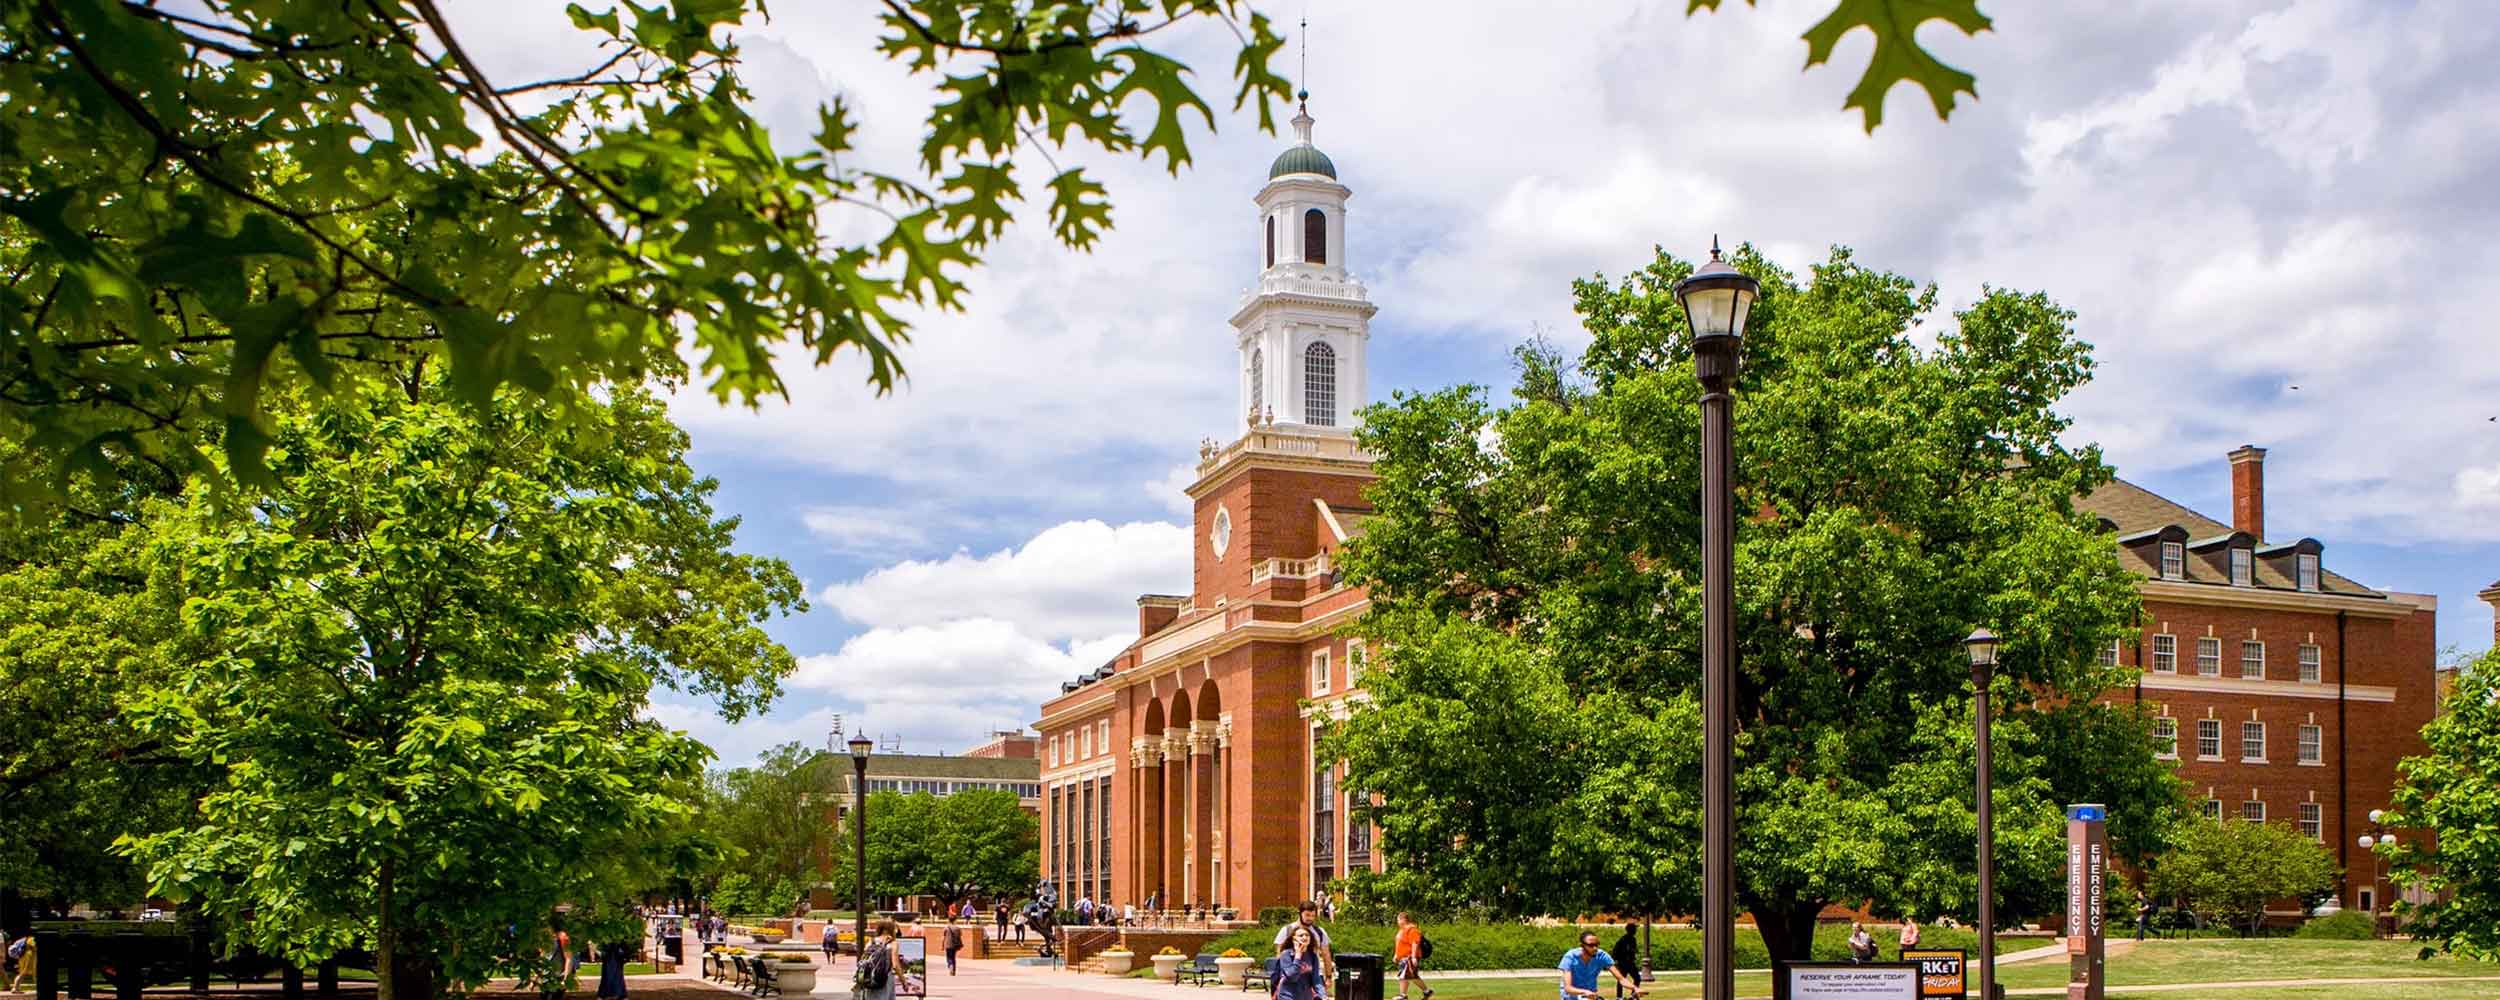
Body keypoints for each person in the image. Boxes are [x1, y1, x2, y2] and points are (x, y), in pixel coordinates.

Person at [1270, 900, 1334, 992]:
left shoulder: (1319, 932)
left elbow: (1326, 954)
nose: (1310, 918)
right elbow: (1279, 955)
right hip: (1291, 977)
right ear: (1300, 913)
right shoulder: (1287, 930)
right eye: (1307, 915)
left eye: (1313, 916)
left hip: (1313, 977)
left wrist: (1328, 977)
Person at [1558, 930, 1640, 1000]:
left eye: (1597, 944)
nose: (1595, 948)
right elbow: (1568, 988)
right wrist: (1585, 992)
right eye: (1591, 945)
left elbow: (1621, 979)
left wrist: (1634, 988)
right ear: (1582, 946)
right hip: (1571, 997)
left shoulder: (1602, 956)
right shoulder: (1570, 957)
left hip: (1591, 996)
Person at [1272, 925, 1327, 1000]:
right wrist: (1298, 956)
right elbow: (1292, 977)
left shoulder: (1312, 956)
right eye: (1301, 935)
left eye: (1307, 935)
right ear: (1294, 939)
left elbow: (1316, 979)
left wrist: (1323, 995)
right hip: (1288, 996)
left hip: (1306, 996)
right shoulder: (1286, 954)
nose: (1304, 937)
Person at [856, 920, 907, 1000]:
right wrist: (903, 981)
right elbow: (895, 965)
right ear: (890, 930)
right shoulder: (892, 944)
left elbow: (864, 959)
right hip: (885, 979)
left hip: (870, 978)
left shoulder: (871, 942)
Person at [1393, 911, 1432, 1000]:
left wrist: (1414, 957)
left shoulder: (1412, 929)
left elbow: (1415, 943)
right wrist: (1396, 955)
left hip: (1409, 957)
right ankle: (1427, 991)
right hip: (1403, 957)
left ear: (1403, 919)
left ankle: (1403, 995)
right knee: (1412, 976)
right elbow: (1399, 944)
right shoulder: (1402, 930)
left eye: (1398, 920)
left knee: (1403, 975)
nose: (1397, 922)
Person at [1608, 924, 1642, 999]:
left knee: (1637, 978)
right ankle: (1619, 997)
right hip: (1623, 963)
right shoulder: (1623, 940)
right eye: (1634, 929)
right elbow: (1615, 951)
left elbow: (1633, 950)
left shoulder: (1633, 939)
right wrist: (1616, 962)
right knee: (1621, 980)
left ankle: (1633, 996)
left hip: (1630, 963)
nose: (1635, 931)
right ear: (1630, 930)